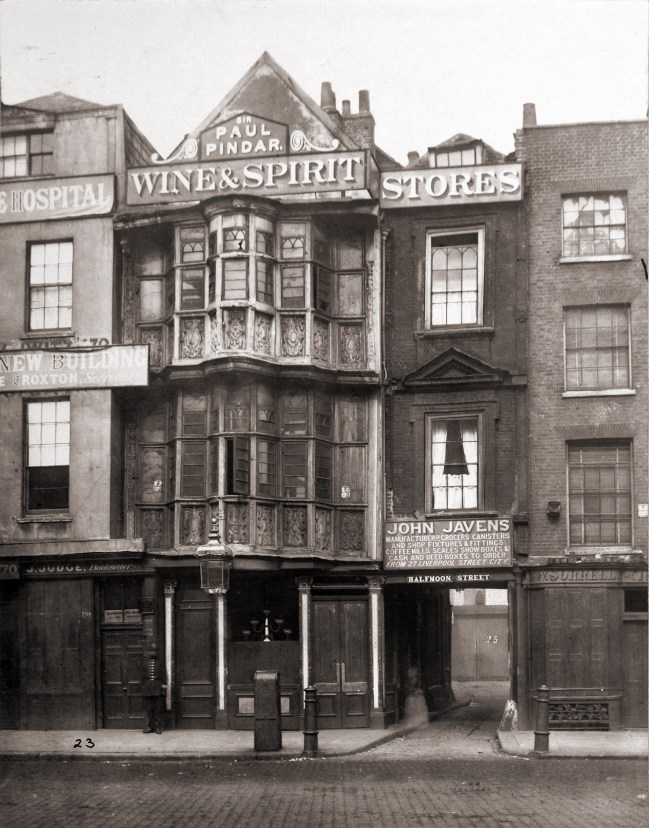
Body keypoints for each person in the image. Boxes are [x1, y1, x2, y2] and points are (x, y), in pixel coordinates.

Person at [142, 653, 166, 734]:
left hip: (157, 687)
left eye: (154, 651)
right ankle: (150, 727)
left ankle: (157, 727)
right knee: (149, 709)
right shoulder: (145, 663)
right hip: (148, 688)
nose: (152, 653)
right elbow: (142, 676)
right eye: (151, 651)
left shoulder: (160, 663)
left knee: (158, 709)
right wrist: (143, 687)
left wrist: (163, 685)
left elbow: (164, 675)